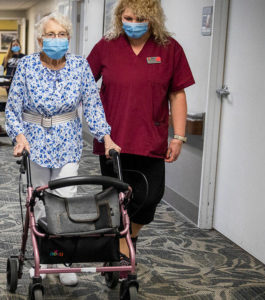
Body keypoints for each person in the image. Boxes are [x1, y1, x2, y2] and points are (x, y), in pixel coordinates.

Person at [5, 12, 120, 287]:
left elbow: (92, 105)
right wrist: (18, 136)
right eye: (50, 35)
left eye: (61, 35)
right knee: (42, 203)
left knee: (66, 199)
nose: (56, 40)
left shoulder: (80, 66)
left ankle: (63, 259)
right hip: (34, 140)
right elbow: (12, 107)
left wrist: (106, 137)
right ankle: (46, 258)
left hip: (68, 139)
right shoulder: (27, 66)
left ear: (68, 38)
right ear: (39, 39)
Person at [87, 0, 195, 273]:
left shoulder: (170, 49)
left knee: (149, 196)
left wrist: (178, 137)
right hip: (113, 138)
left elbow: (177, 93)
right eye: (127, 18)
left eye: (139, 18)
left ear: (153, 18)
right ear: (119, 17)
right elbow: (84, 85)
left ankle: (129, 236)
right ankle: (117, 247)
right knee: (112, 199)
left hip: (150, 138)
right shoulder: (106, 46)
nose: (132, 24)